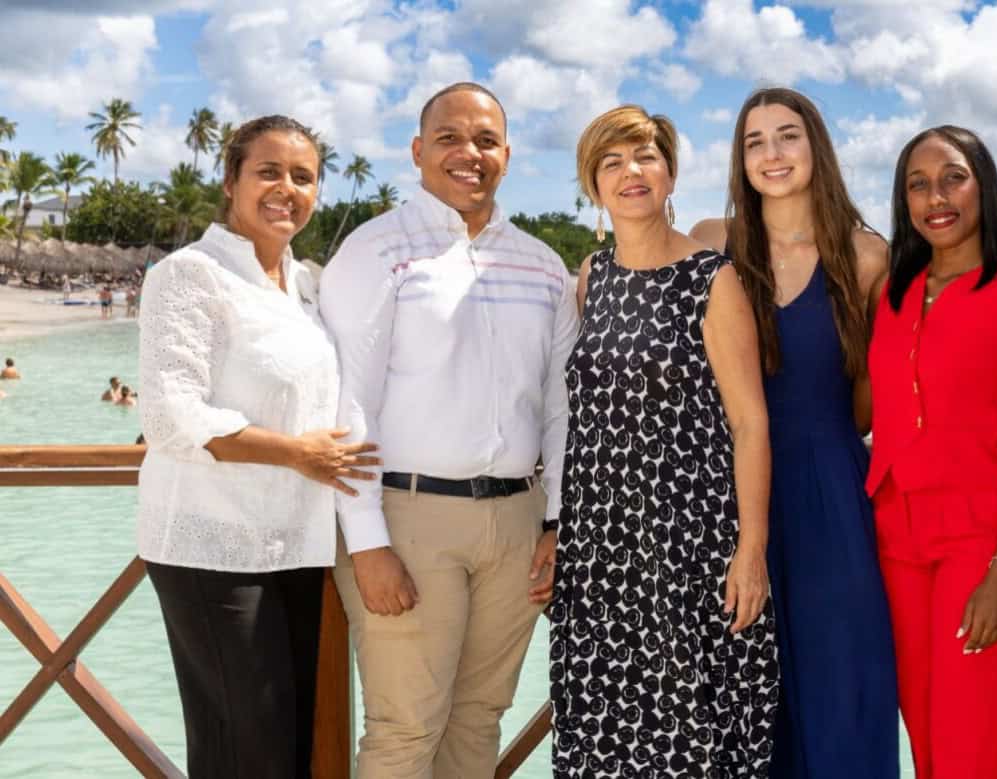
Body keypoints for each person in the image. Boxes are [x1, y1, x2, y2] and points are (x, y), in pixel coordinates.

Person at [319, 82, 579, 778]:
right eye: (450, 139)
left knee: (478, 720)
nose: (470, 154)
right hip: (409, 518)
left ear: (508, 154)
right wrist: (367, 542)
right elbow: (348, 406)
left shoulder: (542, 265)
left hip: (518, 524)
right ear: (417, 151)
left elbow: (558, 407)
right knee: (406, 729)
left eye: (487, 140)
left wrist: (555, 519)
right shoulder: (375, 252)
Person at [137, 114, 380, 778]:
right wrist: (299, 453)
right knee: (250, 752)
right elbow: (170, 414)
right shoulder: (190, 275)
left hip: (296, 546)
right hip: (210, 547)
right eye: (268, 171)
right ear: (231, 180)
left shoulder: (306, 285)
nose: (286, 188)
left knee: (289, 745)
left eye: (303, 176)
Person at [549, 104, 778, 777]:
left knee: (689, 729)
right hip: (599, 553)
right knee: (603, 732)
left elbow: (749, 422)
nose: (631, 172)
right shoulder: (593, 276)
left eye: (645, 156)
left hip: (688, 545)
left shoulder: (712, 278)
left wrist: (752, 549)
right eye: (611, 162)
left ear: (671, 173)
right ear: (593, 186)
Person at [689, 86, 898, 777]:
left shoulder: (867, 255)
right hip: (726, 499)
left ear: (817, 148)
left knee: (844, 684)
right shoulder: (712, 243)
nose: (772, 154)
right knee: (743, 699)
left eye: (787, 136)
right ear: (739, 160)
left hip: (832, 494)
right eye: (755, 142)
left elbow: (873, 398)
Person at [868, 125, 997, 778]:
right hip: (892, 541)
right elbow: (864, 408)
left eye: (953, 176)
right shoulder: (890, 296)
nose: (936, 197)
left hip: (980, 543)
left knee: (972, 748)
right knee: (924, 740)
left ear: (985, 186)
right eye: (918, 185)